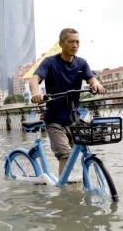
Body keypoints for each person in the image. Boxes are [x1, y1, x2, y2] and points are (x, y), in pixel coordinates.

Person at [30, 28, 105, 175]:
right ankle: (65, 193)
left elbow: (92, 79)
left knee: (78, 153)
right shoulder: (50, 62)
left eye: (77, 42)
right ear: (61, 43)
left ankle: (76, 183)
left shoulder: (82, 64)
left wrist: (96, 84)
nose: (75, 45)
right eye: (71, 42)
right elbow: (34, 79)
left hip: (73, 119)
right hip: (54, 120)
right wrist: (36, 93)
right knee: (65, 156)